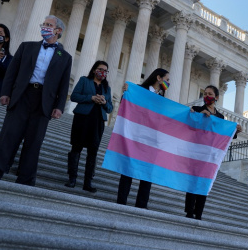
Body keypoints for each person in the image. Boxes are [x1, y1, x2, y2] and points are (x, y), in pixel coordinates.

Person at [0, 15, 72, 186]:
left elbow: (64, 84)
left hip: (44, 102)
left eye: (48, 25)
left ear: (58, 31)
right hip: (22, 95)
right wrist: (5, 92)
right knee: (8, 136)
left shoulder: (65, 57)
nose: (44, 27)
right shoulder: (27, 47)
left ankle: (25, 180)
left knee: (34, 142)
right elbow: (11, 72)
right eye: (43, 24)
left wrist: (60, 106)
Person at [185, 85, 242, 220]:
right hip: (197, 152)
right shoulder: (198, 109)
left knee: (205, 182)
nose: (206, 96)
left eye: (210, 94)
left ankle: (198, 212)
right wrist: (198, 115)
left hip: (211, 156)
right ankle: (189, 211)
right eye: (205, 93)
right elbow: (190, 125)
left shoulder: (220, 117)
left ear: (216, 97)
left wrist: (236, 131)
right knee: (193, 180)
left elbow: (224, 134)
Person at [116, 68, 170, 209]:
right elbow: (126, 104)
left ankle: (141, 206)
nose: (168, 83)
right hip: (135, 136)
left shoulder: (162, 99)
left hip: (152, 140)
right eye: (167, 79)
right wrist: (126, 92)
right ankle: (121, 203)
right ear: (159, 78)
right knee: (128, 169)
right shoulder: (138, 89)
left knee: (147, 174)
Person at [64, 61, 113, 193]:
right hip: (82, 118)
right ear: (94, 70)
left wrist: (104, 102)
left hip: (98, 122)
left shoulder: (107, 88)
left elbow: (110, 108)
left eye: (105, 70)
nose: (103, 72)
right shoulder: (84, 80)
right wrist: (91, 98)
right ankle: (72, 179)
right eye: (100, 69)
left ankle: (88, 182)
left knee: (93, 152)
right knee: (76, 147)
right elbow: (74, 96)